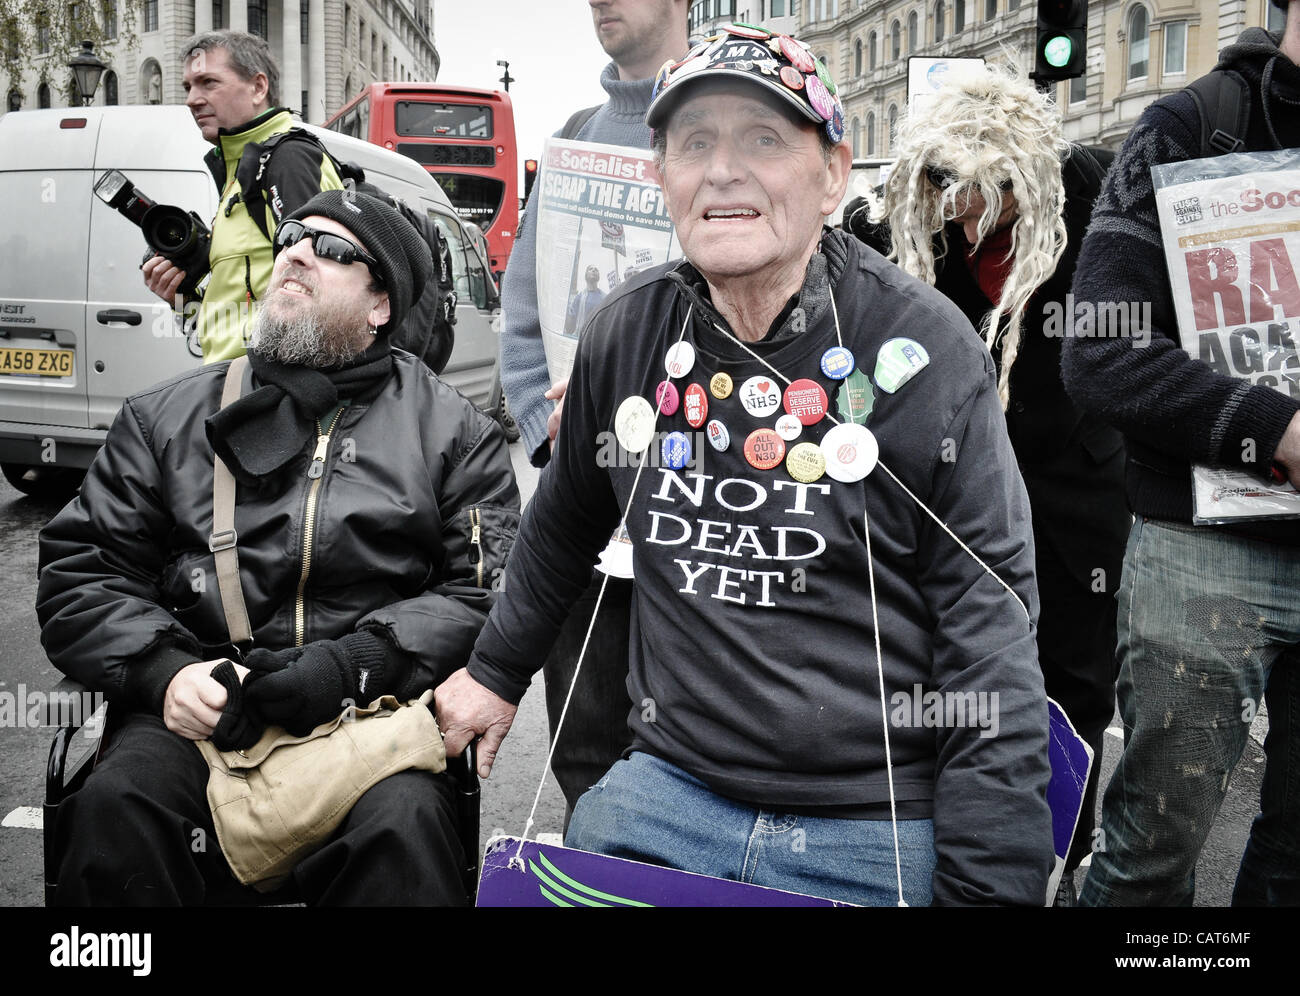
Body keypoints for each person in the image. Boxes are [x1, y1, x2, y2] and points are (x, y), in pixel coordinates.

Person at [439, 27, 1054, 906]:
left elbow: (989, 639)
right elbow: (564, 522)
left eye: (763, 139)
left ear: (834, 173)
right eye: (693, 143)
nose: (722, 170)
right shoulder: (627, 332)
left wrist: (987, 890)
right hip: (668, 795)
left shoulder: (924, 349)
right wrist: (493, 674)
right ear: (662, 178)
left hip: (874, 819)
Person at [37, 191, 520, 906]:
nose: (296, 251)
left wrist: (354, 664)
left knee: (408, 833)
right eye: (293, 235)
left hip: (368, 722)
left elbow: (488, 593)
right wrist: (163, 673)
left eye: (333, 250)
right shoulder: (165, 417)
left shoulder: (454, 434)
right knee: (118, 811)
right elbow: (83, 572)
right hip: (197, 718)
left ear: (380, 304)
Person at [845, 65, 1128, 904]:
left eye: (987, 190)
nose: (965, 212)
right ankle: (948, 853)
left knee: (1068, 685)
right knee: (948, 683)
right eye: (945, 187)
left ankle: (1056, 861)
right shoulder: (893, 218)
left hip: (1071, 491)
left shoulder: (1096, 191)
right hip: (946, 494)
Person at [1062, 4, 1300, 907]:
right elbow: (1097, 347)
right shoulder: (1191, 127)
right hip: (1205, 547)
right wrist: (1276, 429)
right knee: (1151, 857)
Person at [497, 0, 690, 818]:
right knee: (584, 739)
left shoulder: (728, 123)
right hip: (584, 503)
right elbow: (524, 310)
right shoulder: (576, 132)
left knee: (689, 747)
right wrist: (557, 443)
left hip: (692, 501)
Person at [143, 30, 345, 363]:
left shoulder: (285, 159)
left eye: (209, 83)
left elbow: (320, 292)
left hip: (263, 389)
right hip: (233, 382)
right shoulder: (241, 170)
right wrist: (180, 298)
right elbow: (224, 322)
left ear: (258, 87)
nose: (192, 99)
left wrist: (277, 394)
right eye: (188, 86)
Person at [565, 265, 608, 334]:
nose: (593, 270)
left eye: (596, 269)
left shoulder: (605, 298)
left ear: (599, 276)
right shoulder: (579, 297)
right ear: (586, 275)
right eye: (590, 269)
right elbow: (571, 320)